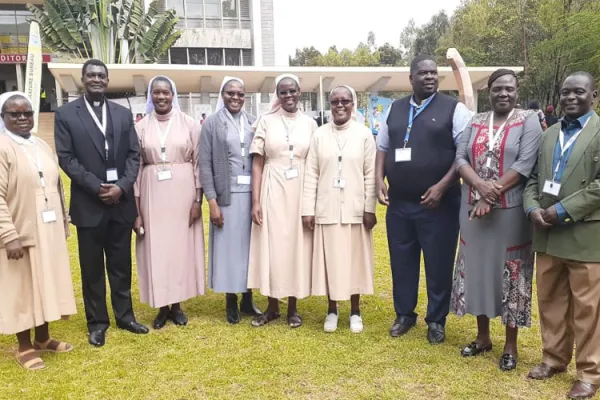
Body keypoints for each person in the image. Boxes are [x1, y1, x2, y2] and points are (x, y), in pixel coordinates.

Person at [375, 54, 473, 344]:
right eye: (423, 73)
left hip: (439, 204)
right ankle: (404, 315)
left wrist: (442, 186)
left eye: (434, 73)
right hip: (400, 204)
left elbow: (463, 155)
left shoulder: (454, 110)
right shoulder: (394, 108)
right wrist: (379, 180)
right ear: (411, 78)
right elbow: (382, 147)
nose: (430, 77)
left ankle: (436, 320)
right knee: (401, 261)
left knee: (438, 262)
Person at [450, 69, 542, 371]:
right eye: (497, 89)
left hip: (510, 213)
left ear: (516, 91)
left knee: (511, 272)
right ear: (489, 91)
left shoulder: (528, 120)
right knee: (476, 268)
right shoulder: (475, 121)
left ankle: (511, 345)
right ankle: (482, 337)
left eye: (509, 89)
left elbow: (526, 163)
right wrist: (478, 187)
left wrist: (490, 195)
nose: (503, 94)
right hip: (472, 210)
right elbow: (460, 158)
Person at [54, 59, 148, 347]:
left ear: (107, 81)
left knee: (120, 264)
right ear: (83, 79)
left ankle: (125, 316)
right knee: (92, 268)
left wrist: (121, 187)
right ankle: (97, 322)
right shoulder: (66, 114)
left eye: (101, 75)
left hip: (120, 203)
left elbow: (135, 155)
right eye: (91, 75)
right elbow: (66, 158)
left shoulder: (122, 114)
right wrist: (98, 187)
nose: (96, 79)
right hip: (90, 204)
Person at [524, 71, 600, 400]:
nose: (571, 98)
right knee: (551, 300)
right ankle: (553, 358)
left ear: (593, 96)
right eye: (566, 92)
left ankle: (589, 372)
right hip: (547, 234)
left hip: (584, 234)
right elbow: (533, 179)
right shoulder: (549, 134)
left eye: (579, 92)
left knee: (587, 308)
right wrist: (532, 209)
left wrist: (563, 210)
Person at [0, 92, 76, 370]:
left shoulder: (41, 144)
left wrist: (64, 222)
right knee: (23, 288)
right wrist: (8, 235)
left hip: (49, 227)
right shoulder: (2, 147)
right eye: (14, 114)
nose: (22, 118)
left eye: (27, 113)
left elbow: (56, 187)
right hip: (19, 231)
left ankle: (43, 337)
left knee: (47, 281)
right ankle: (24, 346)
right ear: (3, 117)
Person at [302, 85, 377, 334]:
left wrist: (369, 208)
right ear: (330, 105)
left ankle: (355, 311)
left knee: (355, 262)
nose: (340, 105)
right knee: (330, 262)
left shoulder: (364, 134)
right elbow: (311, 174)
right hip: (327, 208)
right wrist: (307, 209)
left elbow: (370, 174)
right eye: (335, 101)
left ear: (353, 104)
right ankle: (332, 309)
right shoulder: (320, 135)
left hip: (355, 209)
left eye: (345, 100)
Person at [133, 76, 205, 329]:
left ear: (173, 95)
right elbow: (136, 167)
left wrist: (198, 199)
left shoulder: (189, 124)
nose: (161, 97)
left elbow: (198, 163)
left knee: (180, 249)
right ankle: (162, 306)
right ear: (151, 96)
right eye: (156, 93)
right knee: (157, 248)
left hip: (183, 192)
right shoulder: (141, 127)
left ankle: (177, 305)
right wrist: (137, 209)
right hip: (152, 192)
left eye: (166, 93)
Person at [247, 74, 317, 328]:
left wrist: (313, 201)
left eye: (293, 91)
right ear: (278, 95)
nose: (288, 96)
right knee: (272, 246)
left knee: (296, 245)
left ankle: (293, 308)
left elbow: (315, 162)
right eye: (283, 92)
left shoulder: (310, 124)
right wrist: (256, 201)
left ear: (300, 93)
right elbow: (257, 163)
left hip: (300, 188)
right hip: (272, 187)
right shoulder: (265, 121)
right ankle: (272, 306)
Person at [199, 76, 262, 324]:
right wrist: (212, 202)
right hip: (226, 196)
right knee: (228, 250)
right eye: (230, 94)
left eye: (240, 94)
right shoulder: (212, 124)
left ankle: (248, 298)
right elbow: (204, 165)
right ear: (222, 95)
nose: (235, 98)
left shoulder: (253, 122)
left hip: (251, 195)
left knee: (249, 248)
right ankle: (230, 299)